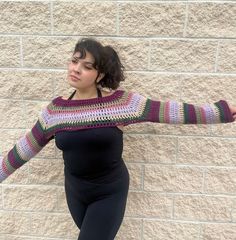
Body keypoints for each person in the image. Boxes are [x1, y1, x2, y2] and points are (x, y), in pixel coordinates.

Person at [0, 38, 236, 240]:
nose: (76, 69)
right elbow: (25, 148)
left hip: (109, 191)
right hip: (75, 191)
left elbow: (169, 111)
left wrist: (220, 112)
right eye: (74, 61)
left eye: (86, 65)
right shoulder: (55, 110)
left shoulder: (120, 103)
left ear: (99, 74)